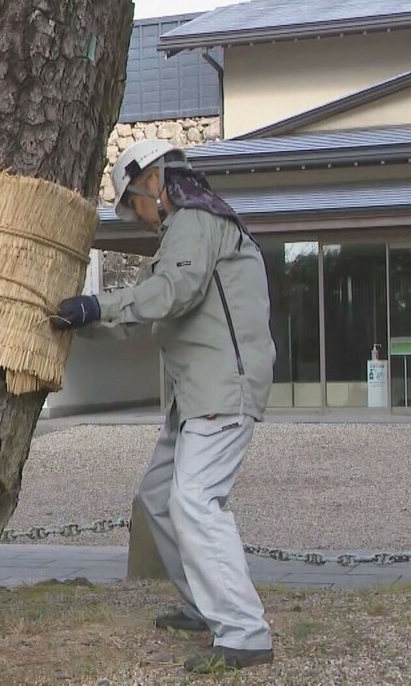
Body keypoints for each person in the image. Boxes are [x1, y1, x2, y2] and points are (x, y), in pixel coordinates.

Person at [51, 139, 276, 673]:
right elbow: (140, 308)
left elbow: (172, 293)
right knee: (158, 499)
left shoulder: (195, 221)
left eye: (133, 203)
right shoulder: (184, 231)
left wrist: (94, 303)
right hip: (195, 396)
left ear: (152, 181)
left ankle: (243, 631)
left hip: (222, 389)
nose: (137, 216)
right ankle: (206, 605)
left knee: (196, 500)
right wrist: (79, 321)